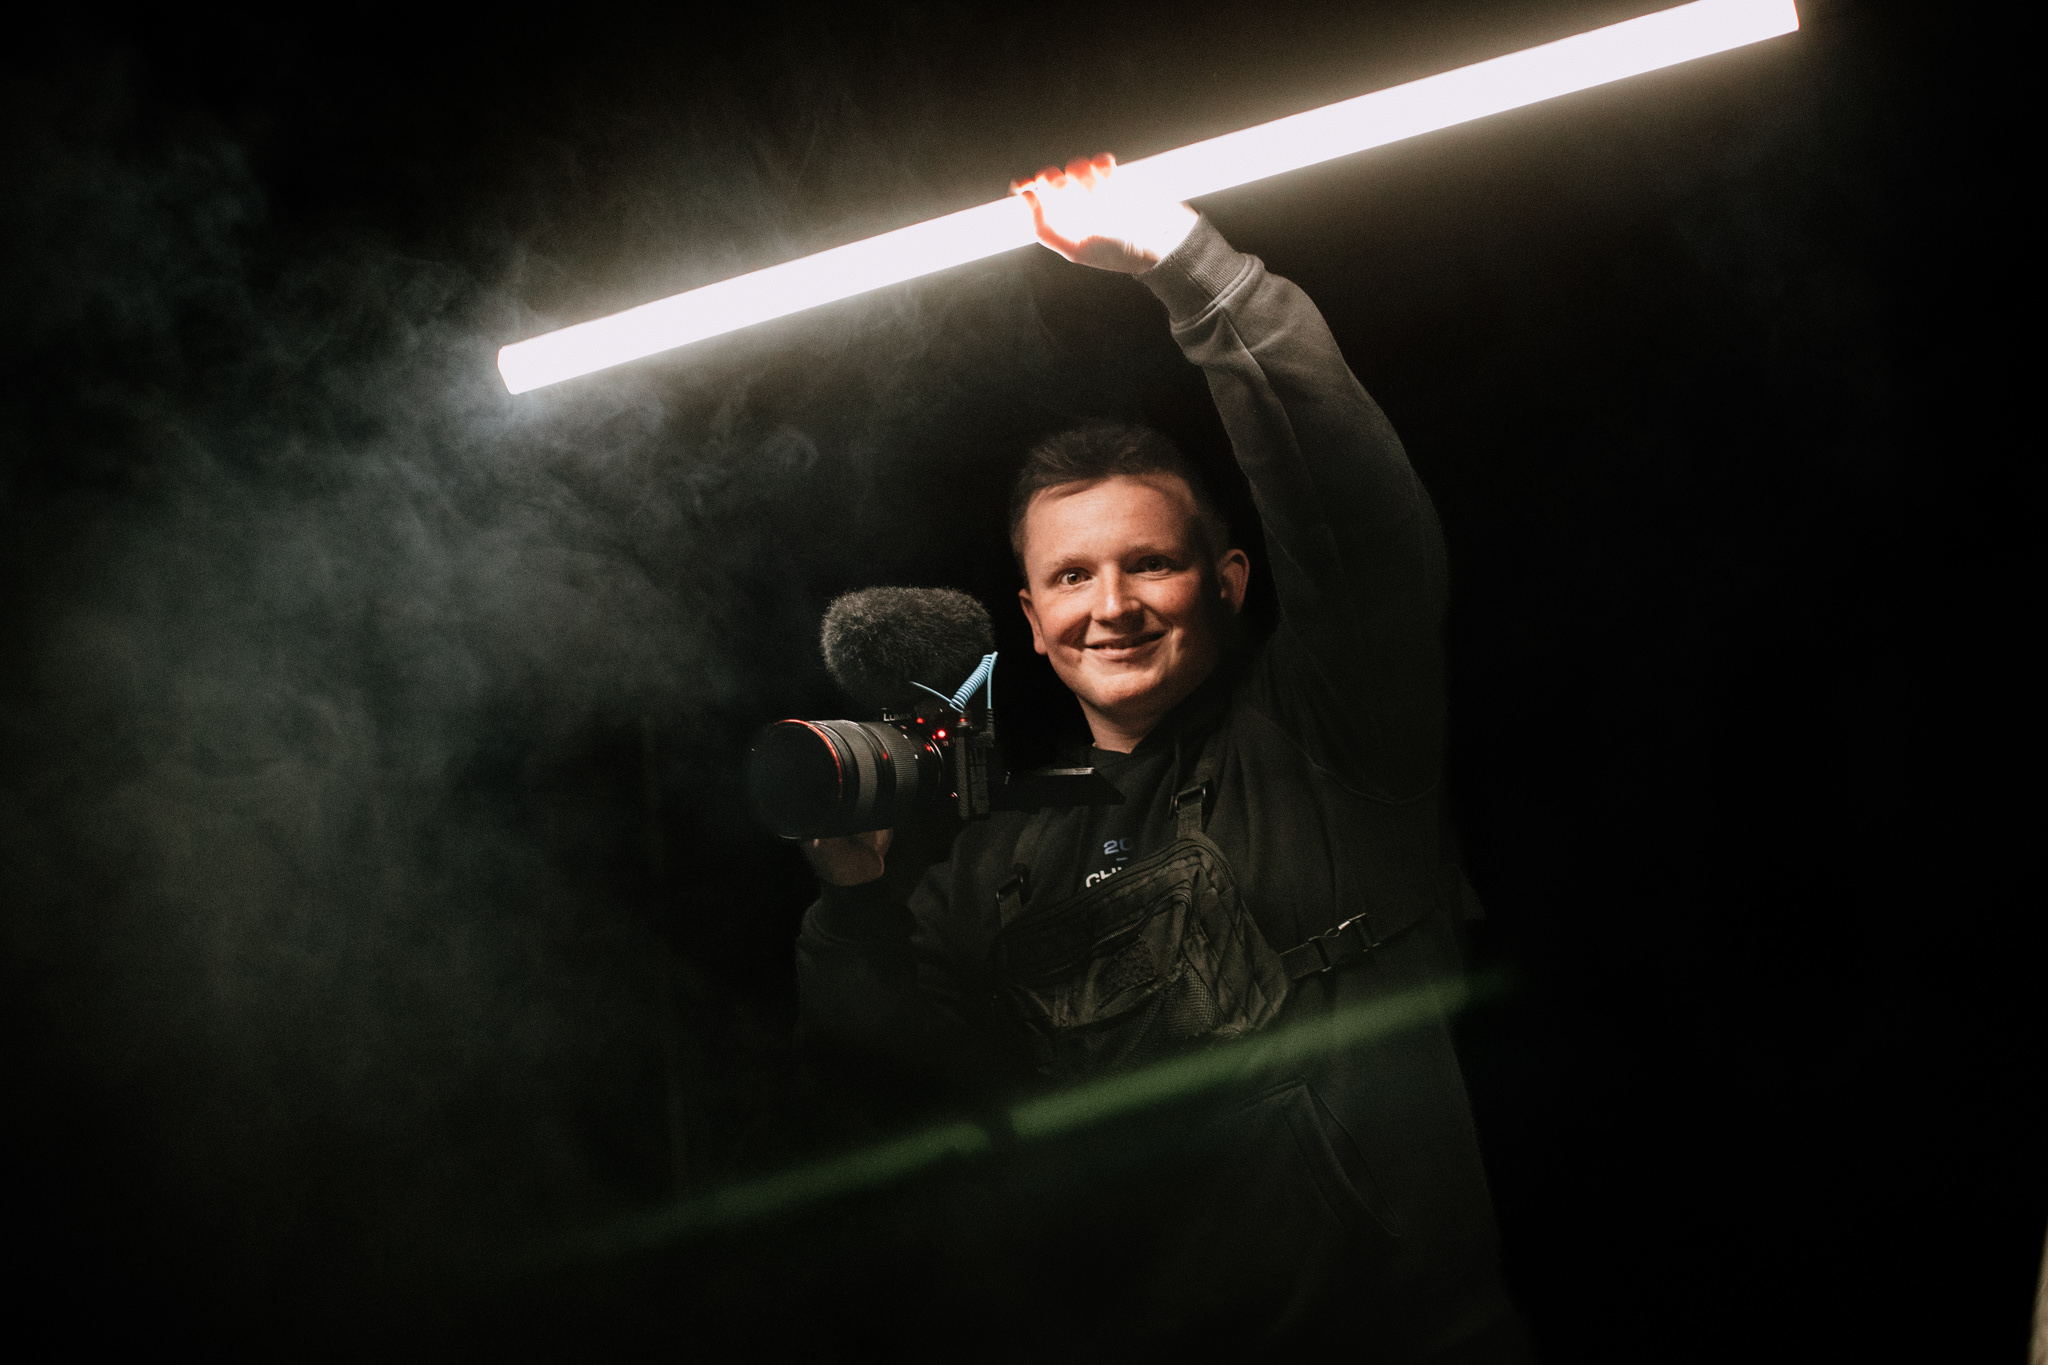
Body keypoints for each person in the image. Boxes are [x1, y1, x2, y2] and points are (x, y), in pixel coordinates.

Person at [794, 153, 1528, 1361]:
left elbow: (1351, 512)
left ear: (1227, 583)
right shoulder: (992, 860)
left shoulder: (1326, 737)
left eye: (1150, 563)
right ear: (1031, 622)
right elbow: (911, 1081)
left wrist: (1189, 268)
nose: (1112, 606)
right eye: (1070, 577)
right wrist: (853, 895)